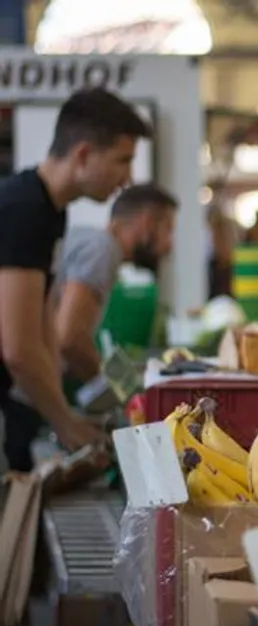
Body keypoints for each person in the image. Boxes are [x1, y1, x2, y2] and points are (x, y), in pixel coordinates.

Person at [0, 88, 150, 472]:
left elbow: (45, 318)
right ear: (83, 155)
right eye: (122, 161)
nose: (127, 178)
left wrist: (62, 411)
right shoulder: (24, 210)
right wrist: (64, 424)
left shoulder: (51, 211)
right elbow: (18, 347)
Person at [54, 184, 177, 384]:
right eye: (168, 230)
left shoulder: (92, 244)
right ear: (148, 223)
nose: (169, 246)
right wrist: (116, 390)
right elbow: (69, 339)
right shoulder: (102, 249)